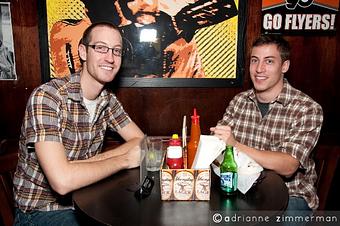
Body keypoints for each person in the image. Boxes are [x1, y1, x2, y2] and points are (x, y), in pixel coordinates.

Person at [13, 22, 144, 225]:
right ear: (83, 51)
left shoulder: (107, 100)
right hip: (41, 212)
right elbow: (62, 182)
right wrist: (124, 160)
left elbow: (140, 141)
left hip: (87, 200)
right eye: (100, 48)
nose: (110, 58)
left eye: (116, 51)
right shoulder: (48, 97)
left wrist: (78, 167)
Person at [211, 35, 323, 225]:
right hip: (241, 188)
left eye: (269, 61)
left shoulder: (307, 108)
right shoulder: (239, 102)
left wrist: (235, 145)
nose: (259, 69)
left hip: (292, 195)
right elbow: (217, 147)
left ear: (284, 66)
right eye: (255, 61)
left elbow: (288, 167)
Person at [49, 0, 238, 78]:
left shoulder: (177, 41)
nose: (149, 4)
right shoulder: (68, 32)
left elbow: (227, 7)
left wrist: (176, 27)